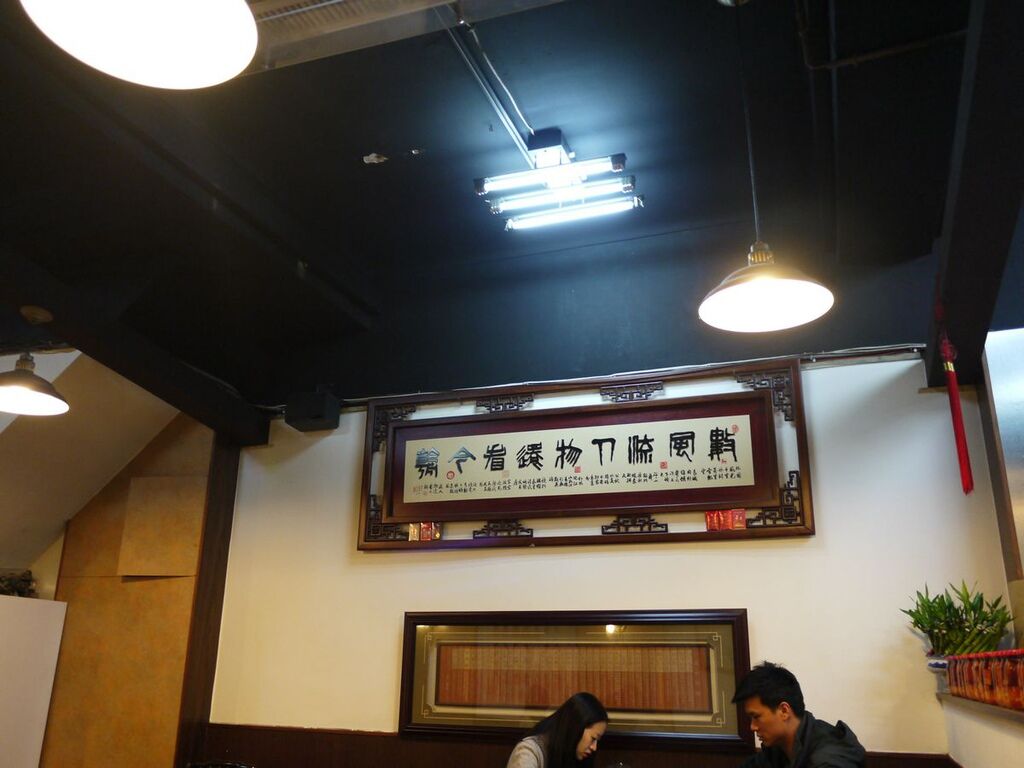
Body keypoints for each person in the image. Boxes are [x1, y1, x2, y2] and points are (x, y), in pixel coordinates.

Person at [732, 662, 865, 768]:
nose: (753, 727)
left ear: (784, 711)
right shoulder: (777, 748)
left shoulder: (828, 760)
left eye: (756, 717)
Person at [506, 691, 608, 768]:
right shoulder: (529, 752)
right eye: (593, 738)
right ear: (575, 728)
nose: (594, 747)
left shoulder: (574, 756)